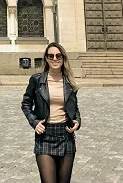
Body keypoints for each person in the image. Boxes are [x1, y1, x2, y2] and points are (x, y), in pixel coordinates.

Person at [22, 42, 81, 183]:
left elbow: (75, 108)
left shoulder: (69, 82)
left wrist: (77, 122)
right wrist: (34, 122)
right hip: (44, 135)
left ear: (63, 58)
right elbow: (26, 103)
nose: (55, 59)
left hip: (65, 135)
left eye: (58, 56)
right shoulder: (37, 80)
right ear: (46, 59)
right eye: (51, 56)